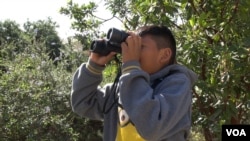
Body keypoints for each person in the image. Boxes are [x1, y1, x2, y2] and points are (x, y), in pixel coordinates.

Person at [70, 25, 198, 141]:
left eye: (140, 47)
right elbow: (82, 103)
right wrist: (94, 66)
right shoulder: (121, 89)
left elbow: (152, 126)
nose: (132, 52)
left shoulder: (177, 85)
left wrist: (131, 69)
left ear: (164, 55)